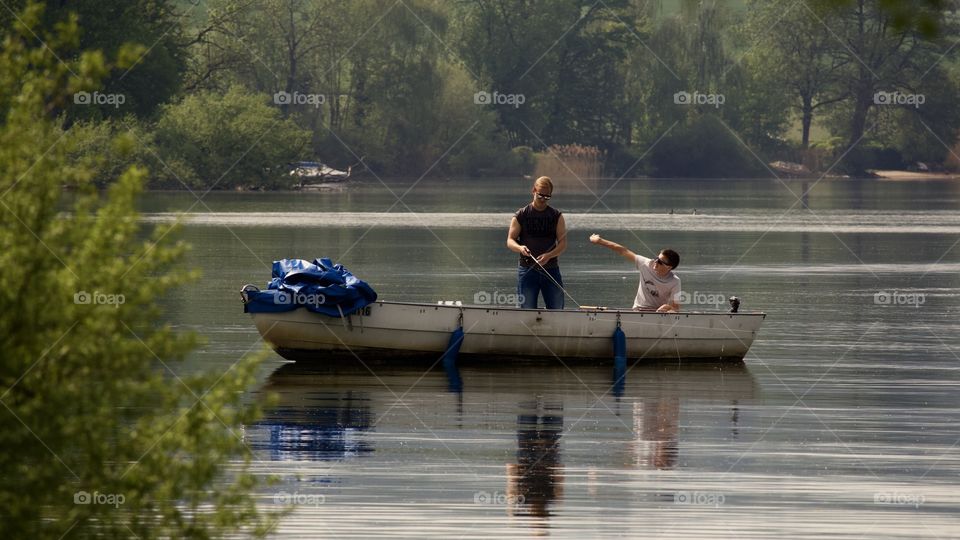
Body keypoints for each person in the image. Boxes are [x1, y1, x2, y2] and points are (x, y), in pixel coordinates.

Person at [507, 176, 567, 309]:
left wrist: (549, 255)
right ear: (534, 190)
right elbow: (510, 241)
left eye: (547, 197)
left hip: (551, 270)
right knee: (526, 310)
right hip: (527, 270)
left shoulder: (556, 216)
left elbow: (563, 244)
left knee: (557, 309)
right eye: (540, 196)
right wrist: (520, 248)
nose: (543, 199)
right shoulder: (521, 215)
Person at [589, 234, 680, 312]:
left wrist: (668, 307)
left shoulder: (675, 282)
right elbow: (623, 250)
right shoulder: (645, 264)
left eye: (660, 262)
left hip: (657, 314)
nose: (655, 262)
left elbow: (675, 308)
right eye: (656, 258)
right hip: (638, 310)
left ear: (669, 267)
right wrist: (599, 241)